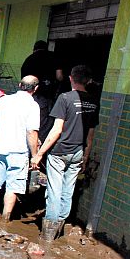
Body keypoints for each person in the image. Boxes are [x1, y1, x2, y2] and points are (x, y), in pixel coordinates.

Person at [31, 65, 99, 241]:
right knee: (68, 190)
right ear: (88, 81)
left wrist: (39, 153)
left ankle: (48, 234)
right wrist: (85, 156)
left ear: (71, 78)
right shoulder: (93, 101)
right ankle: (59, 227)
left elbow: (57, 130)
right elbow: (90, 134)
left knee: (55, 189)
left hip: (60, 152)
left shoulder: (65, 98)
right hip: (78, 152)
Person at [0, 75, 41, 221]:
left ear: (20, 85)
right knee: (12, 188)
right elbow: (31, 132)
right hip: (19, 152)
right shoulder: (33, 106)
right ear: (36, 88)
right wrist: (35, 155)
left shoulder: (5, 100)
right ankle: (5, 220)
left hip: (1, 149)